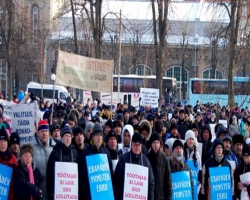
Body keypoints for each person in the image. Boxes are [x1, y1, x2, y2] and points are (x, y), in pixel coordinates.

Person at [114, 133, 155, 200]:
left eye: (138, 145)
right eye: (134, 144)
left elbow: (151, 183)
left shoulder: (145, 162)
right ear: (131, 144)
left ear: (141, 146)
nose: (136, 147)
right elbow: (117, 181)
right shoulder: (123, 159)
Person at [78, 123, 112, 200]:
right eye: (97, 135)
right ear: (93, 137)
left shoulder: (106, 152)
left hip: (104, 195)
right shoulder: (86, 153)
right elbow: (82, 178)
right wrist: (87, 195)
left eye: (100, 135)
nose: (99, 137)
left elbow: (109, 175)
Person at [47, 124, 78, 200]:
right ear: (62, 137)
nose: (68, 138)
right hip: (58, 194)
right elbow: (50, 175)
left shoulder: (75, 153)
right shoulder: (55, 153)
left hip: (71, 194)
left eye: (69, 136)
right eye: (66, 136)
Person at [30, 120, 56, 200]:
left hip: (52, 186)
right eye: (42, 131)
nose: (44, 133)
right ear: (38, 133)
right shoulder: (31, 146)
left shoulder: (55, 146)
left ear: (49, 133)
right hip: (37, 186)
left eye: (46, 131)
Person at [146, 134, 172, 200]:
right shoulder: (146, 159)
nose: (156, 145)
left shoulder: (164, 159)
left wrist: (169, 197)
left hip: (161, 196)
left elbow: (168, 181)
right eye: (154, 143)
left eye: (158, 143)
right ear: (151, 144)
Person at [0, 127, 18, 200]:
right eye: (0, 141)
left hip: (11, 196)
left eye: (4, 141)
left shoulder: (13, 159)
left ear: (7, 143)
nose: (3, 143)